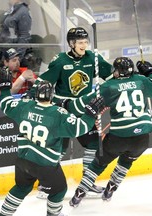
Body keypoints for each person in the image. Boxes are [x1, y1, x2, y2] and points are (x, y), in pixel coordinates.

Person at [0, 66, 105, 216]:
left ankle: (4, 214)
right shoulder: (57, 114)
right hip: (45, 165)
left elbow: (5, 103)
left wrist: (4, 87)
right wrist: (91, 114)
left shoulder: (24, 106)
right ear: (52, 95)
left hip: (23, 161)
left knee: (22, 187)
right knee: (59, 190)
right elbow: (80, 128)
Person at [60, 57, 152, 207]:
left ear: (117, 71)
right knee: (126, 162)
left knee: (97, 165)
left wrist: (66, 104)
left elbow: (83, 104)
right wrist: (149, 72)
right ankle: (110, 190)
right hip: (142, 138)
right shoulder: (141, 80)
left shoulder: (109, 86)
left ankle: (80, 193)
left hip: (119, 137)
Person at [28, 27, 113, 197]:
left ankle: (87, 183)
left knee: (93, 145)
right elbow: (45, 81)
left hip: (85, 109)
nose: (84, 45)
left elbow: (110, 74)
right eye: (80, 42)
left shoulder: (92, 57)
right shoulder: (60, 61)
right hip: (63, 109)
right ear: (72, 44)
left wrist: (127, 77)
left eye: (86, 42)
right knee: (59, 148)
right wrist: (29, 95)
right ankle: (46, 184)